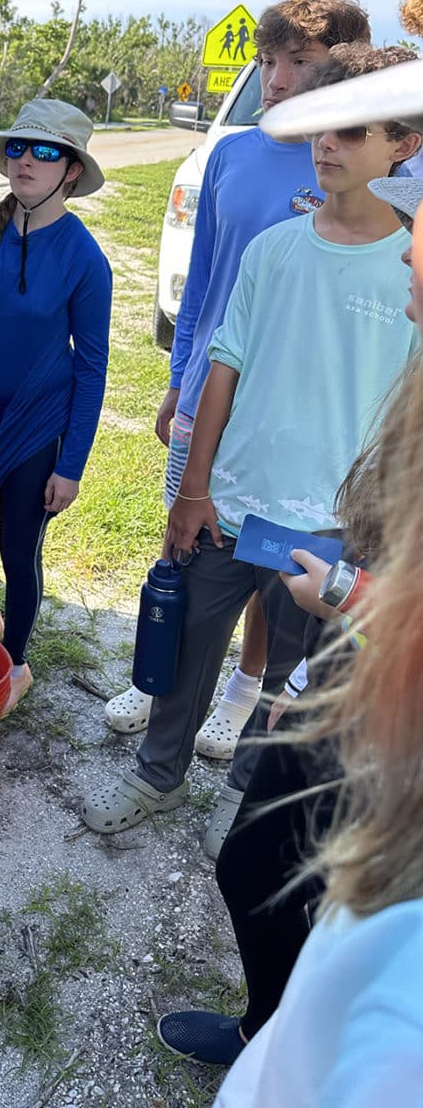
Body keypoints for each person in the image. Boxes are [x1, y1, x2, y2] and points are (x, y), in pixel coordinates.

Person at [83, 44, 420, 853]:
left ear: (403, 144)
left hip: (337, 525)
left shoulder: (409, 269)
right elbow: (223, 370)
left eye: (351, 131)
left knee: (298, 683)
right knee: (191, 643)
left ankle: (252, 806)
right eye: (318, 130)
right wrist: (192, 491)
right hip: (233, 502)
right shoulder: (275, 250)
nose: (325, 146)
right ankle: (159, 773)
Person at [157, 173, 423, 1068]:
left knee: (318, 888)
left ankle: (293, 1048)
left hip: (388, 696)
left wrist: (348, 600)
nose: (411, 244)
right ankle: (270, 1034)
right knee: (270, 864)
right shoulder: (291, 257)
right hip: (360, 667)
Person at [105, 0, 371, 760]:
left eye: (299, 63)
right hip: (209, 391)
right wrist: (180, 376)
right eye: (267, 62)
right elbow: (204, 281)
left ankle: (244, 688)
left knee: (271, 568)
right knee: (188, 538)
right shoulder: (229, 152)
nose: (278, 79)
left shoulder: (356, 169)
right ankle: (160, 675)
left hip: (293, 419)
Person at [0, 100, 112, 715]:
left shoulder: (86, 259)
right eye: (19, 148)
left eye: (47, 151)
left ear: (72, 173)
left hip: (36, 430)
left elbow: (90, 368)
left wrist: (73, 465)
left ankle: (15, 663)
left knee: (17, 551)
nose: (28, 159)